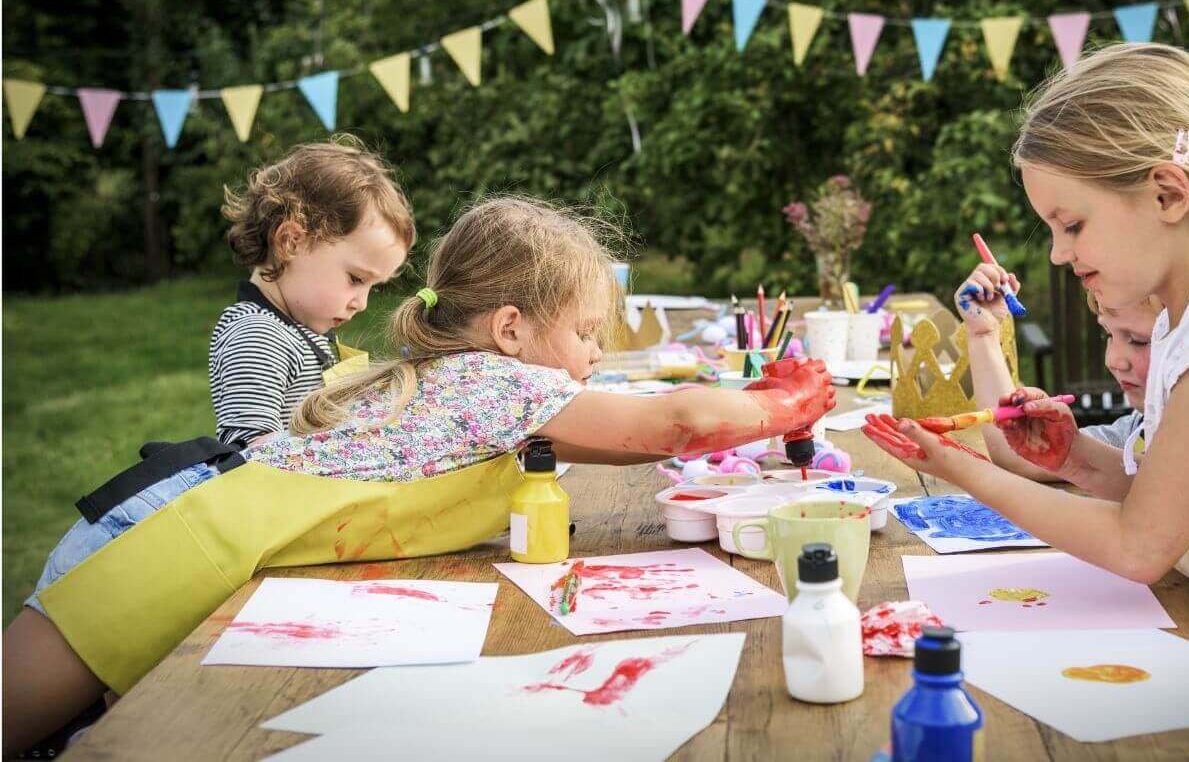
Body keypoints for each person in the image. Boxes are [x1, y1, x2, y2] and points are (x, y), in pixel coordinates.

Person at [3, 196, 835, 755]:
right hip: (170, 538)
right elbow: (672, 425)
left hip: (196, 527)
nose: (595, 357)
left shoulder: (470, 376)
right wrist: (783, 400)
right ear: (510, 329)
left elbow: (626, 442)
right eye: (587, 332)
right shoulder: (501, 382)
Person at [865, 42, 1189, 747]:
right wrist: (1077, 458)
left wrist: (965, 471)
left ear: (1168, 194)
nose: (1057, 254)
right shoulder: (1184, 325)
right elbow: (1166, 492)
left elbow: (1140, 545)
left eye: (1071, 224)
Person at [211, 136, 416, 446]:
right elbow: (245, 453)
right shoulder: (259, 335)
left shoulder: (299, 331)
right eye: (356, 279)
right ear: (291, 241)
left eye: (373, 287)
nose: (361, 304)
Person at [954, 263, 1157, 480]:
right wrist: (984, 333)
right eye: (1108, 335)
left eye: (1139, 340)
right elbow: (1019, 457)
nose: (1113, 360)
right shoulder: (1140, 429)